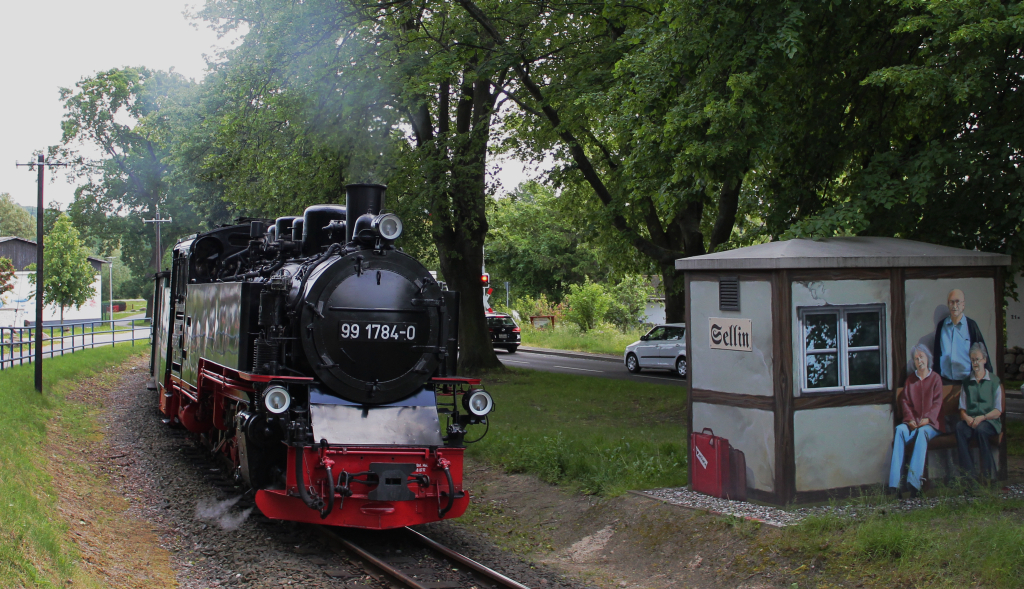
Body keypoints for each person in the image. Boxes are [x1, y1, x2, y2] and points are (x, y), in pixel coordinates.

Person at [888, 344, 943, 497]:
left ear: (928, 358)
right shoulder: (910, 380)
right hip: (913, 423)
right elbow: (905, 402)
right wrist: (910, 420)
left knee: (922, 433)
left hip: (930, 425)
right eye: (916, 359)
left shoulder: (935, 379)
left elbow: (938, 403)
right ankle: (895, 484)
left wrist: (927, 419)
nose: (920, 361)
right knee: (899, 430)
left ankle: (914, 483)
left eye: (922, 357)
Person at [955, 342, 1003, 482]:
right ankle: (970, 477)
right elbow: (962, 409)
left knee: (981, 430)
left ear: (984, 360)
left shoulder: (994, 381)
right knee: (959, 428)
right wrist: (968, 419)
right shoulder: (967, 382)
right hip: (972, 421)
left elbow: (998, 410)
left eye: (977, 359)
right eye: (972, 360)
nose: (975, 363)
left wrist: (982, 417)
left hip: (989, 421)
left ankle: (989, 477)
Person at [933, 289, 991, 381]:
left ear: (963, 305)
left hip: (968, 381)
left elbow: (982, 352)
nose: (954, 306)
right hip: (944, 380)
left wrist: (986, 380)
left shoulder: (971, 325)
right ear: (948, 304)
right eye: (951, 302)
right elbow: (936, 354)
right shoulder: (941, 326)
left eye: (958, 302)